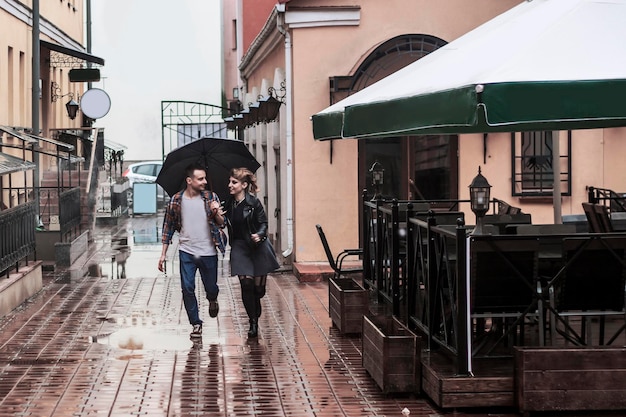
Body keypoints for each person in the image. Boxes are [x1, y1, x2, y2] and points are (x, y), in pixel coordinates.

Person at [158, 163, 226, 338]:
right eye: (200, 178)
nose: (204, 181)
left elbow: (222, 223)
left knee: (211, 287)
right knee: (187, 288)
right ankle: (196, 323)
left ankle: (212, 299)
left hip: (208, 251)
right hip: (186, 251)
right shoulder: (176, 200)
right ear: (189, 180)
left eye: (205, 178)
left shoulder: (211, 197)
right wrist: (163, 253)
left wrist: (216, 211)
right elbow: (168, 227)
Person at [224, 167, 280, 338]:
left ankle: (256, 302)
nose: (230, 185)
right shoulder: (228, 203)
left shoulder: (253, 203)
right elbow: (220, 221)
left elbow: (263, 223)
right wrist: (216, 213)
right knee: (246, 284)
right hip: (240, 247)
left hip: (257, 247)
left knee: (258, 290)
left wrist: (260, 234)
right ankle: (253, 322)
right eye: (230, 182)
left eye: (234, 182)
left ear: (244, 185)